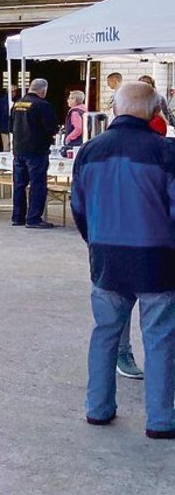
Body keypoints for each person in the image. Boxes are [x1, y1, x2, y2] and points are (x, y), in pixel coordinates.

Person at [71, 81, 175, 439]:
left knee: (105, 334)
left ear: (114, 109)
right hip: (157, 260)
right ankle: (160, 419)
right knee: (159, 338)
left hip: (106, 258)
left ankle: (98, 408)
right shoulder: (165, 151)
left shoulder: (90, 151)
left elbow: (79, 207)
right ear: (155, 111)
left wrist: (96, 241)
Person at [10, 78, 59, 228]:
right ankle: (33, 218)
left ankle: (18, 217)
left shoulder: (17, 104)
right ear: (43, 91)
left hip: (19, 149)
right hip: (37, 150)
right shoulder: (43, 105)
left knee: (19, 184)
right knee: (37, 185)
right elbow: (52, 128)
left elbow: (11, 127)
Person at [61, 89, 87, 158]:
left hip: (74, 144)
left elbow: (79, 128)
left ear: (74, 99)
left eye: (69, 98)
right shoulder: (84, 111)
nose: (67, 100)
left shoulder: (75, 112)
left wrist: (68, 138)